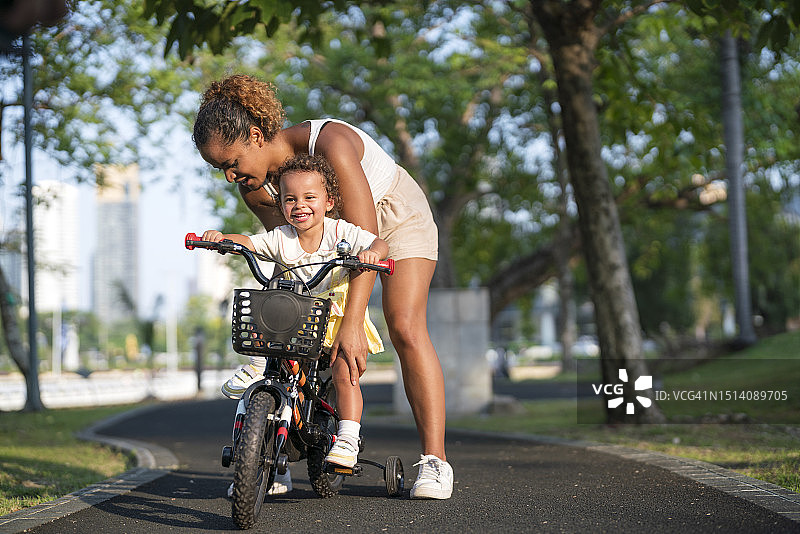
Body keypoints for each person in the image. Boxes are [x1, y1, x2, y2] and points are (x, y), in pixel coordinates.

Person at [194, 74, 453, 500]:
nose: (229, 176)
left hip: (391, 219)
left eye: (232, 162)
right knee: (296, 328)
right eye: (219, 168)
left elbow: (365, 246)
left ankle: (435, 461)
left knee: (404, 325)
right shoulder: (256, 189)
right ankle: (273, 454)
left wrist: (352, 324)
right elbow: (290, 260)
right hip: (331, 236)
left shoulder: (329, 143)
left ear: (256, 136)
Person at [202, 154, 387, 472]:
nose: (300, 205)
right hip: (299, 318)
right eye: (290, 199)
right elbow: (250, 243)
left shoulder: (341, 233)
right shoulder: (282, 237)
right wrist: (222, 240)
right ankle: (258, 367)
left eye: (309, 197)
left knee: (345, 371)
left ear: (328, 202)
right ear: (282, 204)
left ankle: (347, 438)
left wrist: (371, 253)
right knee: (270, 311)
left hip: (336, 317)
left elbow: (379, 243)